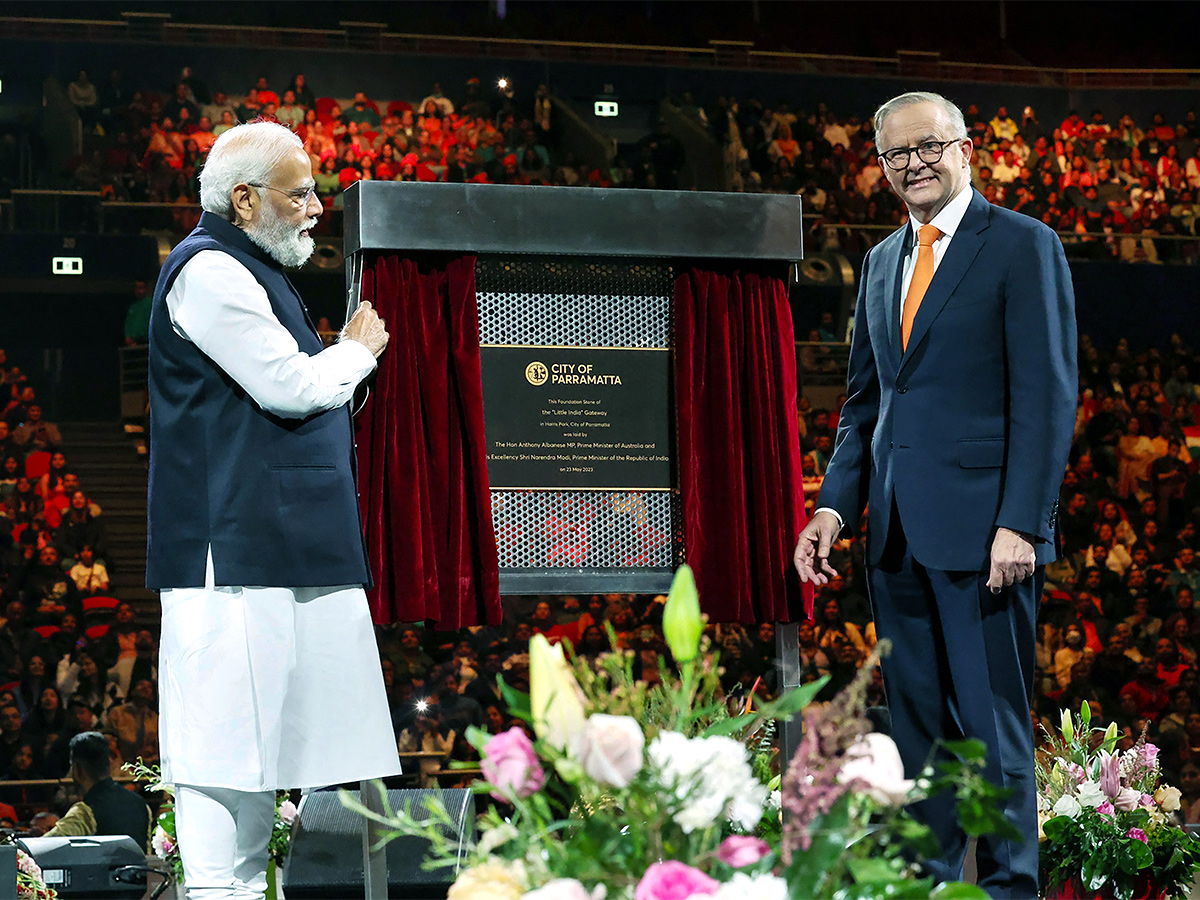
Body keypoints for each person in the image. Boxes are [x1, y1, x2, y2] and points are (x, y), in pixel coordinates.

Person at [794, 91, 1076, 898]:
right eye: (895, 155)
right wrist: (831, 507)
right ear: (879, 165)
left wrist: (1021, 521)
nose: (913, 165)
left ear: (965, 149)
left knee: (991, 729)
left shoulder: (1023, 245)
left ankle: (1010, 888)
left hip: (987, 537)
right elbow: (866, 405)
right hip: (896, 542)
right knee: (920, 734)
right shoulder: (881, 262)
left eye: (929, 148)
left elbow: (1048, 395)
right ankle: (931, 886)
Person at [147, 120, 398, 900]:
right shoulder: (208, 270)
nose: (317, 207)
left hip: (280, 546)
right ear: (245, 198)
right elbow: (290, 386)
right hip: (230, 554)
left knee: (267, 754)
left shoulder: (249, 268)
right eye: (301, 193)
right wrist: (356, 348)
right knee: (224, 753)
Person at [43, 731, 151, 850]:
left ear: (77, 769)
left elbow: (44, 848)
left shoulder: (85, 812)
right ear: (108, 764)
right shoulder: (142, 805)